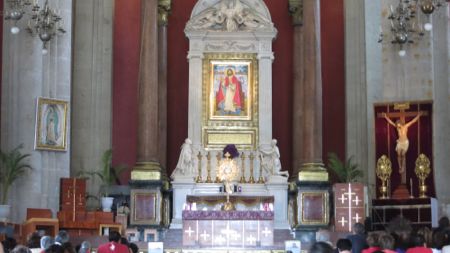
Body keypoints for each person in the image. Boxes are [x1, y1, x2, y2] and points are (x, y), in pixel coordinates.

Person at [382, 112, 423, 180]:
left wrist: (418, 116)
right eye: (397, 126)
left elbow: (413, 121)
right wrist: (386, 117)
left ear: (401, 124)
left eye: (399, 125)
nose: (398, 127)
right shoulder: (397, 127)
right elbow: (391, 122)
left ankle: (403, 167)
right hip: (399, 142)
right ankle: (400, 167)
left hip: (405, 142)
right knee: (398, 155)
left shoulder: (405, 126)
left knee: (403, 154)